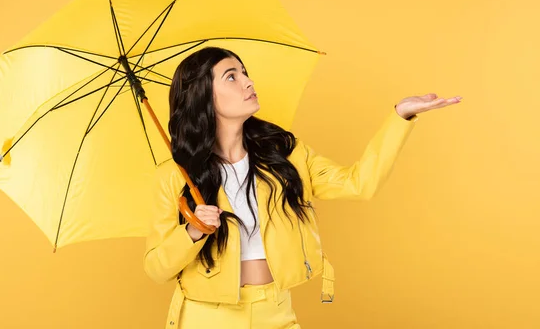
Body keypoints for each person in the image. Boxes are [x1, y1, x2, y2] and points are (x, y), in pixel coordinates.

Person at [143, 47, 461, 328]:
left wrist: (400, 117)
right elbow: (157, 268)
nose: (248, 82)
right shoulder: (174, 178)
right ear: (203, 97)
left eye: (245, 73)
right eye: (231, 77)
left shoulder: (286, 157)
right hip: (207, 318)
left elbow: (359, 184)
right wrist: (193, 231)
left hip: (276, 310)